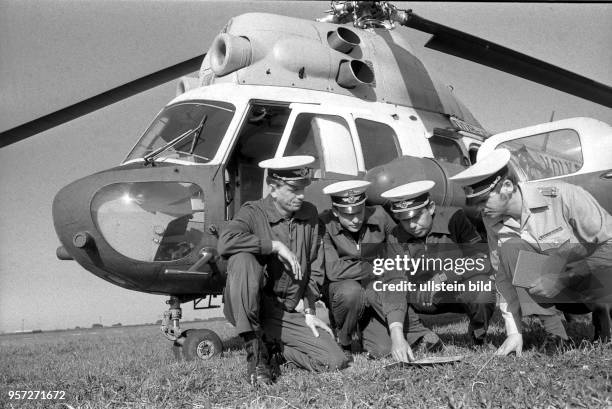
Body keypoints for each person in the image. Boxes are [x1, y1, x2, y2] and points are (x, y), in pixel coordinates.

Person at [449, 148, 612, 355]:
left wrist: (563, 278)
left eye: (483, 201)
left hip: (593, 285)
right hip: (559, 292)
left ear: (507, 186)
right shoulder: (492, 220)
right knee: (510, 249)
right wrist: (513, 332)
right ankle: (557, 335)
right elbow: (503, 278)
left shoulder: (563, 196)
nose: (480, 209)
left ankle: (604, 323)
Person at [218, 155, 349, 386]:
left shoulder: (309, 214)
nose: (301, 195)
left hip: (286, 311)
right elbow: (226, 241)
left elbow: (313, 265)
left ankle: (276, 350)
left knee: (335, 360)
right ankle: (256, 355)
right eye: (293, 189)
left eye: (303, 189)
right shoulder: (253, 212)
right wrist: (273, 246)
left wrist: (309, 310)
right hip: (252, 306)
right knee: (242, 258)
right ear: (273, 188)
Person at [320, 180, 440, 363]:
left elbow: (400, 244)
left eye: (359, 212)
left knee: (382, 350)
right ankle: (343, 341)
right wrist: (378, 266)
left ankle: (417, 335)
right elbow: (334, 270)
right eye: (347, 214)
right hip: (345, 293)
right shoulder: (324, 223)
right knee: (352, 292)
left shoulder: (380, 215)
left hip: (375, 289)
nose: (355, 219)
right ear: (336, 212)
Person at [381, 180, 496, 346]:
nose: (412, 225)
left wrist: (442, 278)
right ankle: (420, 335)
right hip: (421, 296)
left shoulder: (455, 218)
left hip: (456, 290)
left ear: (431, 208)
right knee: (385, 291)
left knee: (481, 287)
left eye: (417, 216)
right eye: (405, 220)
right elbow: (395, 280)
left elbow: (482, 259)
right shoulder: (395, 235)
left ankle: (478, 334)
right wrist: (396, 330)